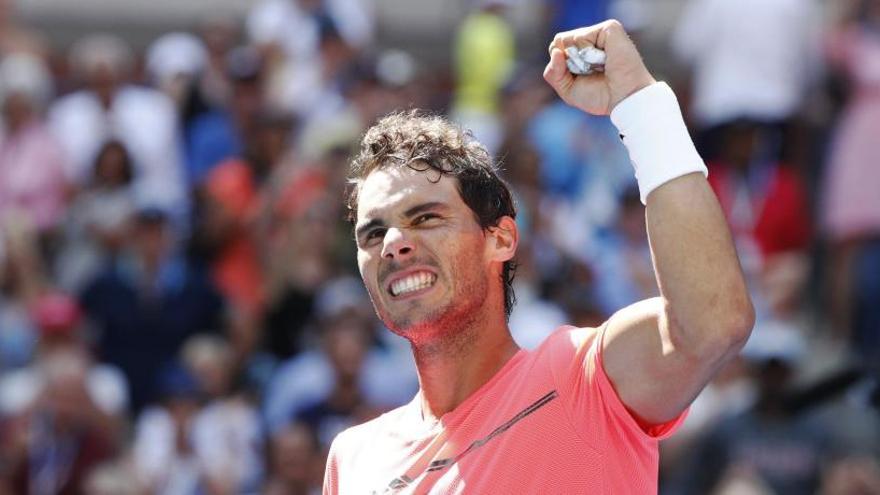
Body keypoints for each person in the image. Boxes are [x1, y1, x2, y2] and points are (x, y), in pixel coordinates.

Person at [323, 19, 754, 493]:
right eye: (373, 232)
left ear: (502, 239)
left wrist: (640, 102)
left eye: (426, 218)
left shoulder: (585, 379)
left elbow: (712, 323)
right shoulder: (354, 457)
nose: (393, 244)